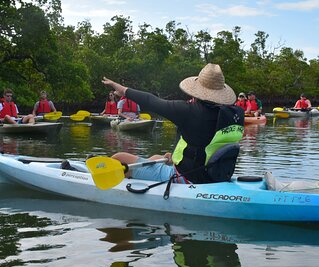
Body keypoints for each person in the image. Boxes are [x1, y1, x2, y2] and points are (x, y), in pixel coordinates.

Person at [102, 63, 245, 184]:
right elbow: (206, 143)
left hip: (188, 179)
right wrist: (177, 158)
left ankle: (111, 187)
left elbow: (151, 101)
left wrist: (123, 90)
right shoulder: (234, 114)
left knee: (119, 158)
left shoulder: (188, 111)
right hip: (215, 176)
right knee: (157, 158)